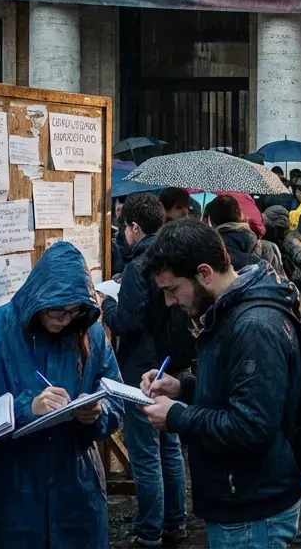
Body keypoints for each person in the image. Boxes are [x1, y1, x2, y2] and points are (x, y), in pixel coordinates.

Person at [139, 220, 301, 549]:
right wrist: (181, 387)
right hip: (237, 500)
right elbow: (233, 388)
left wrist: (177, 417)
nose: (171, 302)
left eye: (172, 289)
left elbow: (251, 425)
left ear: (204, 273)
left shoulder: (253, 326)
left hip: (251, 509)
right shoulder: (227, 311)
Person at [0, 243, 123, 548]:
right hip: (6, 492)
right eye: (56, 310)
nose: (64, 320)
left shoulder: (90, 334)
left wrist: (97, 413)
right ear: (37, 296)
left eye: (74, 311)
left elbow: (115, 397)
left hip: (74, 488)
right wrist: (27, 407)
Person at [101, 193, 194, 548]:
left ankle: (148, 530)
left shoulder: (139, 265)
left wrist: (108, 304)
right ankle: (175, 522)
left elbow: (128, 321)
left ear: (135, 227)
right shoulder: (169, 257)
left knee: (144, 453)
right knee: (169, 445)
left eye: (124, 226)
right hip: (169, 364)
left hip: (141, 368)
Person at [207, 194, 284, 276]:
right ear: (240, 215)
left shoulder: (213, 251)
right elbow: (283, 284)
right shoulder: (270, 247)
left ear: (211, 221)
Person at [264, 204, 301, 299]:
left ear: (277, 227)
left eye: (268, 226)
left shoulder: (290, 242)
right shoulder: (284, 239)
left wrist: (293, 275)